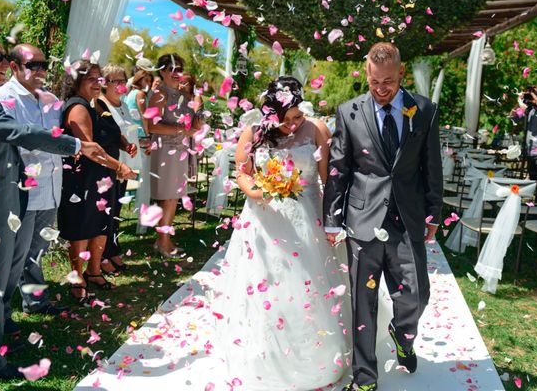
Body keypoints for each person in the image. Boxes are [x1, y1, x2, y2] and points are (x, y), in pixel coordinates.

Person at [0, 34, 104, 380]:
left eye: (6, 56)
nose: (5, 64)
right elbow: (17, 131)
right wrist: (76, 144)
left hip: (3, 197)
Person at [212, 76, 350, 389]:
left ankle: (313, 357)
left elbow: (329, 180)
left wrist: (334, 221)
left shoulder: (317, 130)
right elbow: (242, 172)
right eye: (285, 119)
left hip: (306, 220)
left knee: (308, 285)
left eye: (297, 117)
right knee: (266, 286)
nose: (292, 124)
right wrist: (256, 192)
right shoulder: (254, 131)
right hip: (263, 220)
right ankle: (263, 355)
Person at [323, 42, 443, 390]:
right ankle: (365, 376)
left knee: (416, 295)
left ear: (401, 73)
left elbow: (431, 167)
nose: (381, 89)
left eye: (388, 82)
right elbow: (338, 169)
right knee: (364, 303)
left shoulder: (424, 110)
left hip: (407, 220)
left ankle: (403, 337)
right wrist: (333, 218)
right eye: (375, 82)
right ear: (367, 75)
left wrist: (433, 212)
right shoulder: (349, 112)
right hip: (363, 220)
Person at [0, 44, 70, 336]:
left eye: (43, 65)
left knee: (37, 250)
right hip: (23, 190)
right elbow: (20, 141)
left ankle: (35, 301)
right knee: (14, 257)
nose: (40, 70)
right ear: (14, 67)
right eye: (32, 65)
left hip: (51, 187)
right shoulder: (4, 98)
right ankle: (2, 314)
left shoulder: (51, 100)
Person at [58, 60, 136, 300]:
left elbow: (110, 134)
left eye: (99, 78)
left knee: (101, 223)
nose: (97, 82)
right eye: (91, 78)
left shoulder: (94, 105)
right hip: (83, 178)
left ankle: (93, 271)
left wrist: (123, 149)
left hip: (102, 176)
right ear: (77, 80)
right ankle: (77, 277)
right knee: (81, 225)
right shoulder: (78, 107)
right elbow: (90, 149)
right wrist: (119, 165)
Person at [147, 54, 202, 257]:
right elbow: (152, 125)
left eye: (179, 68)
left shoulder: (182, 96)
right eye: (170, 68)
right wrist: (182, 131)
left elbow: (193, 125)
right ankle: (163, 242)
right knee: (168, 198)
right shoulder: (160, 95)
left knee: (173, 198)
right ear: (161, 71)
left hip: (181, 150)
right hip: (166, 150)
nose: (175, 72)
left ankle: (163, 239)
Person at [98, 64, 140, 274]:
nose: (122, 85)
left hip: (124, 165)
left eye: (124, 81)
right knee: (106, 212)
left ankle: (113, 248)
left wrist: (131, 145)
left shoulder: (123, 105)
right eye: (116, 81)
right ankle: (102, 255)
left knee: (116, 211)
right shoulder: (100, 105)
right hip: (110, 166)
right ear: (105, 84)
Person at [124, 68, 153, 235]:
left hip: (132, 138)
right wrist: (149, 136)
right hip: (142, 139)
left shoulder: (128, 94)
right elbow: (145, 117)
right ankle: (143, 224)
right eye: (146, 79)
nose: (148, 83)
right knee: (145, 182)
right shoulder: (140, 95)